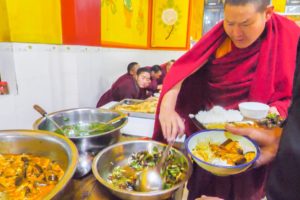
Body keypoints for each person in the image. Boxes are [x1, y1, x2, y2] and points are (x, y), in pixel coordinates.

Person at [153, 0, 300, 199]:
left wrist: (277, 111)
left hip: (254, 143)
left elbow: (292, 95)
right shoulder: (219, 36)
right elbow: (182, 70)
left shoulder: (289, 35)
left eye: (245, 24)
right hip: (210, 141)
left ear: (267, 13)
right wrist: (167, 108)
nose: (236, 32)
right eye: (229, 23)